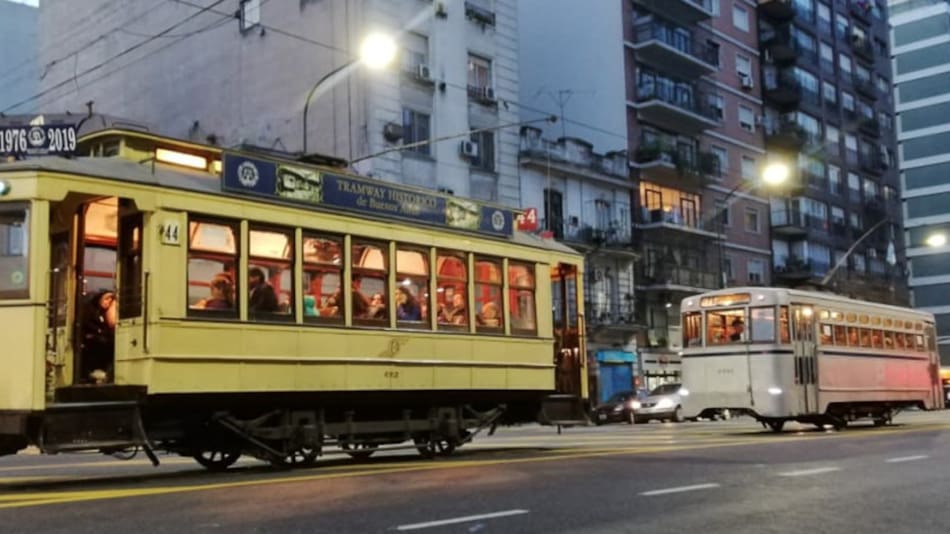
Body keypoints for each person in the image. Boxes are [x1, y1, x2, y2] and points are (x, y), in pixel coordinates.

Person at [80, 289, 116, 384]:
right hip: (89, 339)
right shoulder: (89, 309)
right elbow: (85, 323)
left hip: (99, 338)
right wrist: (98, 331)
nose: (108, 301)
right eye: (106, 298)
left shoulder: (103, 313)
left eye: (110, 299)